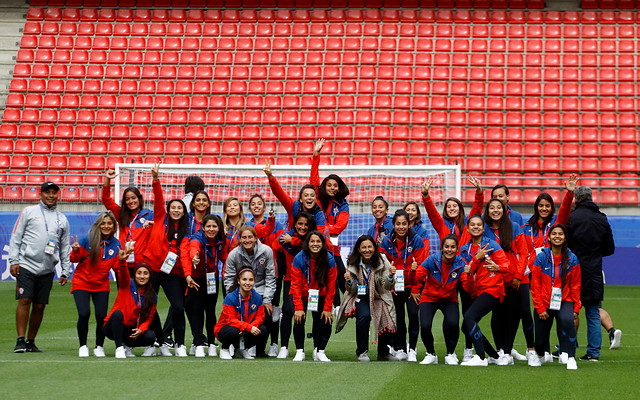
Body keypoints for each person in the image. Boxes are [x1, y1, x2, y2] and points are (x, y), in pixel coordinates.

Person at [421, 176, 483, 361]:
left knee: (468, 313)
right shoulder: (441, 225)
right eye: (449, 206)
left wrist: (479, 192)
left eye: (455, 205)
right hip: (446, 274)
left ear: (460, 208)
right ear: (446, 210)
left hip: (464, 271)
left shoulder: (467, 225)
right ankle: (443, 352)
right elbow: (431, 212)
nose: (452, 208)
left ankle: (468, 348)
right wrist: (426, 195)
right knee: (452, 315)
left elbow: (477, 209)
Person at [518, 174, 577, 361]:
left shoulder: (555, 224)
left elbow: (565, 212)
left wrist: (569, 194)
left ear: (551, 208)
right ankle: (538, 349)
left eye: (547, 205)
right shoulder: (527, 227)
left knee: (558, 313)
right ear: (536, 207)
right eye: (541, 205)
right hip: (534, 273)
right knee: (536, 312)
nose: (544, 208)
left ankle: (561, 350)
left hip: (554, 274)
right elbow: (525, 251)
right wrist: (526, 268)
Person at [10, 181, 72, 353]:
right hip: (26, 264)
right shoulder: (29, 212)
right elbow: (16, 236)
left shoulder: (62, 219)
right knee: (25, 300)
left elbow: (65, 247)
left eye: (54, 192)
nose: (51, 195)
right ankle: (20, 340)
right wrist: (14, 260)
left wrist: (66, 270)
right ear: (40, 194)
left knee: (39, 306)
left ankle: (31, 341)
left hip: (47, 268)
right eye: (47, 192)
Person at [142, 164, 191, 357]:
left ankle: (179, 344)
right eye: (173, 207)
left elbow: (185, 253)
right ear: (168, 209)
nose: (176, 210)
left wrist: (187, 274)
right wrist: (156, 179)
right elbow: (159, 198)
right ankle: (157, 343)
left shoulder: (186, 229)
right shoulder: (160, 217)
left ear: (183, 211)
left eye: (180, 208)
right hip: (153, 270)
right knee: (148, 306)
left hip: (172, 273)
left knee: (178, 307)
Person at [566, 186, 616, 361]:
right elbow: (610, 249)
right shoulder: (601, 219)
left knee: (569, 311)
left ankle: (567, 348)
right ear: (591, 198)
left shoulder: (571, 218)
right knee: (593, 313)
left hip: (572, 271)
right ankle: (594, 352)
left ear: (577, 200)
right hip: (593, 271)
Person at [336, 235, 398, 362]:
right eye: (363, 247)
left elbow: (386, 285)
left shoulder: (382, 260)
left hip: (379, 295)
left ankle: (384, 352)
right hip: (360, 296)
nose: (367, 250)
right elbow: (352, 290)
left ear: (374, 248)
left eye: (370, 247)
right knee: (364, 316)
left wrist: (391, 276)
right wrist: (348, 282)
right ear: (358, 249)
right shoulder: (352, 261)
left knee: (385, 315)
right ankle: (362, 352)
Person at [458, 215, 510, 366]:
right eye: (472, 225)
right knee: (466, 326)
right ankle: (494, 356)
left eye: (479, 225)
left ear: (483, 228)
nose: (476, 227)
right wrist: (475, 260)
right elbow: (466, 276)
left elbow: (506, 265)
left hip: (493, 290)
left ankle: (481, 357)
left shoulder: (492, 244)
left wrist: (498, 267)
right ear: (467, 228)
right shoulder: (464, 250)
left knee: (468, 317)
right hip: (477, 292)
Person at [483, 198, 528, 365]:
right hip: (493, 280)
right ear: (487, 212)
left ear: (504, 210)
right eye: (492, 208)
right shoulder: (484, 229)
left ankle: (508, 351)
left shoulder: (514, 227)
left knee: (512, 315)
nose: (495, 210)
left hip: (511, 279)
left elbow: (523, 254)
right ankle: (500, 349)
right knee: (497, 314)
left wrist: (518, 276)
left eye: (499, 208)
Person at [529, 224, 580, 370]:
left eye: (561, 234)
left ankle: (570, 356)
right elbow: (535, 286)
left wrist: (576, 307)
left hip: (564, 300)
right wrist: (539, 308)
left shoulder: (572, 258)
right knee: (539, 342)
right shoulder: (541, 258)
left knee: (567, 320)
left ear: (565, 238)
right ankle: (542, 354)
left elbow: (576, 285)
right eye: (554, 234)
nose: (557, 236)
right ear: (549, 238)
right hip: (544, 303)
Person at [379, 209, 428, 362]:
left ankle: (412, 349)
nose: (401, 227)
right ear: (393, 225)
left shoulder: (417, 240)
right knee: (398, 317)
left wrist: (415, 289)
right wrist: (390, 285)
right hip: (395, 286)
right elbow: (381, 265)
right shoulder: (387, 241)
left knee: (413, 315)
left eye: (404, 224)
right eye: (398, 224)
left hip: (412, 285)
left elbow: (421, 267)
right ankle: (401, 348)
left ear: (409, 224)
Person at [70, 211, 120, 358]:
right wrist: (75, 251)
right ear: (98, 225)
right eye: (103, 223)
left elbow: (117, 268)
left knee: (101, 316)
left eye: (109, 223)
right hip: (82, 282)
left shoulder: (116, 244)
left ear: (114, 226)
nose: (106, 226)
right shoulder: (88, 239)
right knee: (84, 313)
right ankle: (83, 346)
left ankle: (99, 346)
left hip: (101, 285)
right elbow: (74, 259)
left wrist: (123, 260)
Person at [412, 235, 467, 365]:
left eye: (452, 247)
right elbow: (419, 275)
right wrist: (414, 286)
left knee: (453, 323)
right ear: (441, 248)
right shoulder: (432, 259)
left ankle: (450, 353)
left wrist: (469, 275)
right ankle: (431, 353)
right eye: (446, 246)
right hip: (429, 297)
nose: (449, 249)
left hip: (449, 298)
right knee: (425, 325)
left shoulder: (461, 263)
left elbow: (466, 285)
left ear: (457, 249)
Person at [224, 226, 276, 357]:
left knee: (267, 315)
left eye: (250, 237)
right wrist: (233, 298)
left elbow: (270, 277)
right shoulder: (233, 254)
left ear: (255, 238)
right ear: (239, 239)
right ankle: (236, 347)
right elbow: (229, 278)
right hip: (240, 290)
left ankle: (259, 350)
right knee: (236, 320)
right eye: (244, 237)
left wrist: (267, 300)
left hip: (261, 288)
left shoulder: (267, 251)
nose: (247, 240)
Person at [310, 139, 350, 308]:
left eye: (335, 185)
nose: (332, 188)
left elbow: (340, 226)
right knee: (317, 283)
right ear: (324, 186)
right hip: (315, 248)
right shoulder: (317, 198)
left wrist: (322, 229)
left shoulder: (342, 204)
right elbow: (313, 180)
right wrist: (316, 155)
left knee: (342, 280)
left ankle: (351, 307)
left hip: (333, 249)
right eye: (329, 184)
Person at [271, 212, 315, 359]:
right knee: (290, 311)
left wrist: (295, 240)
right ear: (294, 224)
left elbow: (322, 247)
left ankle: (316, 349)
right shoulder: (284, 238)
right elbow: (274, 248)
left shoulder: (315, 239)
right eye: (300, 224)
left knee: (315, 313)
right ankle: (284, 347)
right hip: (291, 280)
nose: (303, 227)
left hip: (313, 282)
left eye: (305, 224)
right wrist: (276, 270)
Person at [290, 231, 337, 362]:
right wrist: (298, 307)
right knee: (299, 318)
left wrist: (328, 308)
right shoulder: (299, 258)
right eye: (312, 241)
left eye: (318, 241)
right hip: (303, 293)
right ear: (307, 243)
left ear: (323, 244)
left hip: (321, 293)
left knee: (324, 320)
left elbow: (332, 286)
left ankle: (320, 350)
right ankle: (300, 351)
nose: (315, 244)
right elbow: (295, 284)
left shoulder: (330, 259)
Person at [247, 193, 285, 356]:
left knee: (273, 309)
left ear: (264, 206)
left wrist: (270, 250)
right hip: (253, 275)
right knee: (254, 309)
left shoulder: (276, 224)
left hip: (273, 271)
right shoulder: (248, 226)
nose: (256, 206)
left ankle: (274, 343)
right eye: (253, 204)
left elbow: (282, 239)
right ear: (249, 208)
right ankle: (254, 343)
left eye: (259, 203)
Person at [103, 245, 157, 359]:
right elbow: (122, 273)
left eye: (145, 273)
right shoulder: (127, 284)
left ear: (150, 276)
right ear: (135, 275)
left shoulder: (153, 295)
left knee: (150, 336)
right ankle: (119, 348)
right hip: (113, 326)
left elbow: (149, 318)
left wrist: (141, 329)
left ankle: (128, 345)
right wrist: (122, 261)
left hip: (131, 329)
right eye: (139, 273)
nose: (142, 276)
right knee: (117, 314)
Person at [186, 214, 228, 357]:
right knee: (197, 310)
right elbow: (194, 248)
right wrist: (195, 256)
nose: (211, 229)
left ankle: (211, 343)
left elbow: (224, 256)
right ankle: (198, 344)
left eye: (214, 226)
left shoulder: (220, 240)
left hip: (212, 279)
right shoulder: (197, 238)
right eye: (208, 226)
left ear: (218, 227)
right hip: (197, 279)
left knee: (210, 312)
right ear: (203, 227)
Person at [101, 169, 153, 271]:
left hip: (141, 263)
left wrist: (153, 223)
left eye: (133, 198)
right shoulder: (121, 214)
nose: (131, 201)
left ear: (139, 199)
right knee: (123, 287)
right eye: (127, 199)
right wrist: (108, 180)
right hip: (123, 260)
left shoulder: (149, 214)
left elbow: (164, 224)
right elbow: (106, 199)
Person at [215, 268, 268, 360]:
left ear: (254, 281)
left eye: (251, 280)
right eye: (244, 279)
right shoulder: (230, 297)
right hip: (227, 329)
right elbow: (230, 320)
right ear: (238, 281)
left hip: (246, 328)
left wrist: (251, 327)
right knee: (233, 331)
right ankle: (225, 349)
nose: (247, 283)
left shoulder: (258, 297)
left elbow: (260, 317)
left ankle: (241, 349)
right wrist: (248, 327)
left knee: (262, 330)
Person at [264, 160, 326, 235]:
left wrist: (293, 240)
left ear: (316, 200)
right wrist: (271, 177)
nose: (309, 198)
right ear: (301, 199)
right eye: (306, 195)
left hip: (310, 244)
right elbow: (280, 194)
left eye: (312, 195)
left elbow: (317, 238)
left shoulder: (319, 214)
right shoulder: (293, 206)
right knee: (279, 241)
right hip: (292, 240)